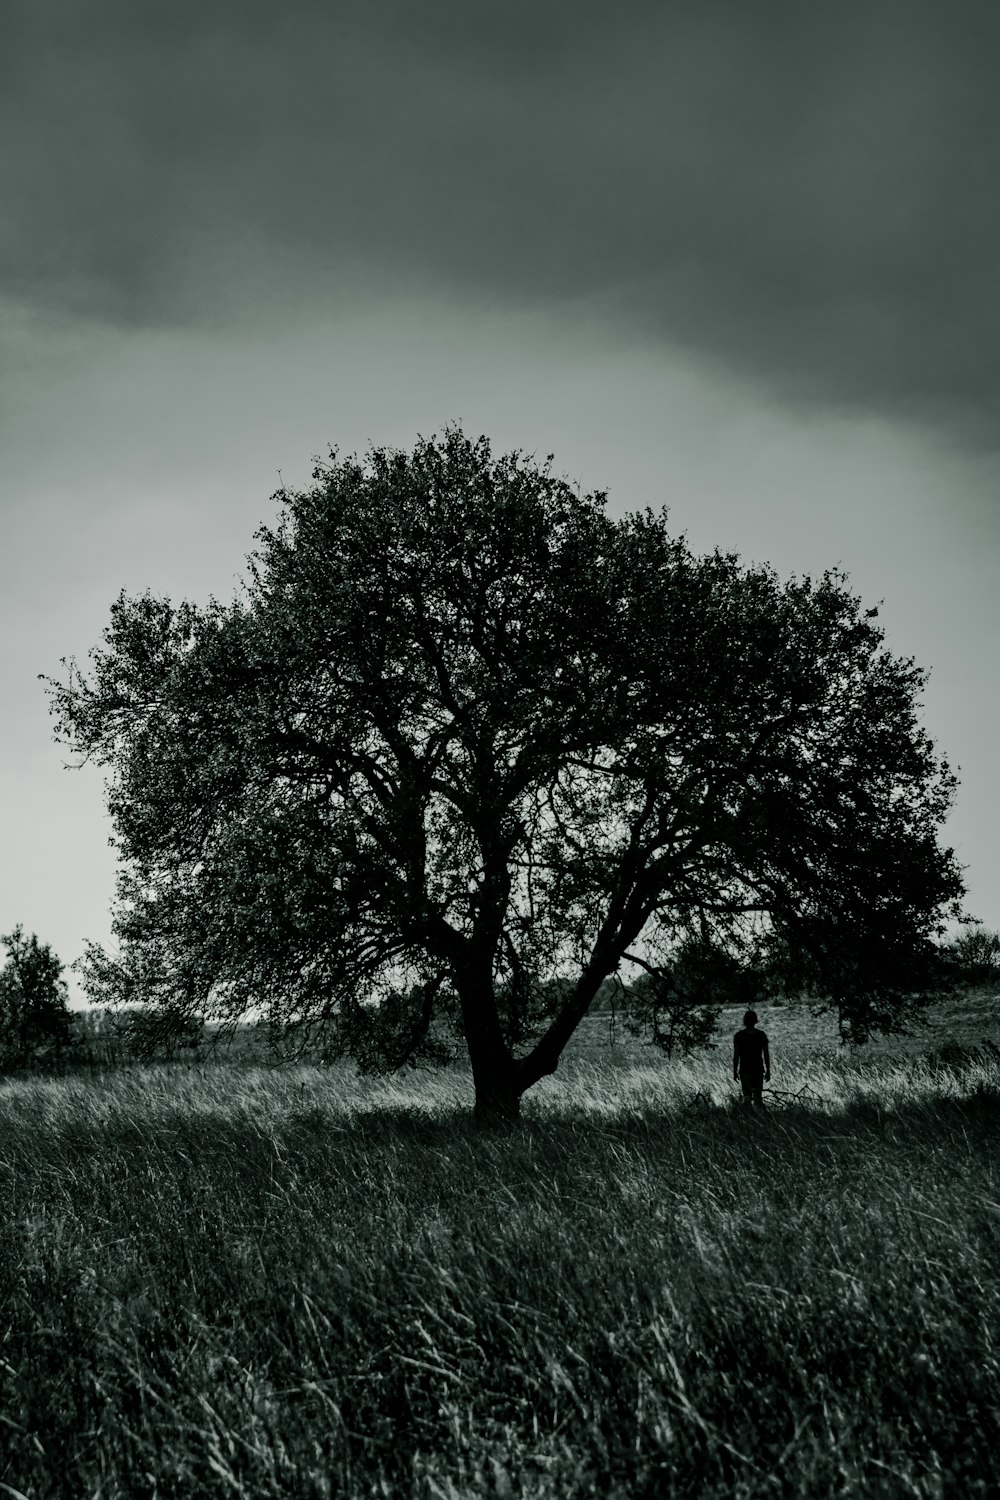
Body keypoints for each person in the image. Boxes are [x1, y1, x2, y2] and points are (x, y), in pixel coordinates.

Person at [733, 1009, 770, 1106]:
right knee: (757, 1098)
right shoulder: (761, 1035)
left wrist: (734, 1071)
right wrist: (768, 1070)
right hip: (757, 1070)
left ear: (744, 1021)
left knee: (747, 1098)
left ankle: (748, 1118)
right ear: (755, 1021)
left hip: (746, 1070)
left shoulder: (739, 1036)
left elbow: (736, 1055)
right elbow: (766, 1054)